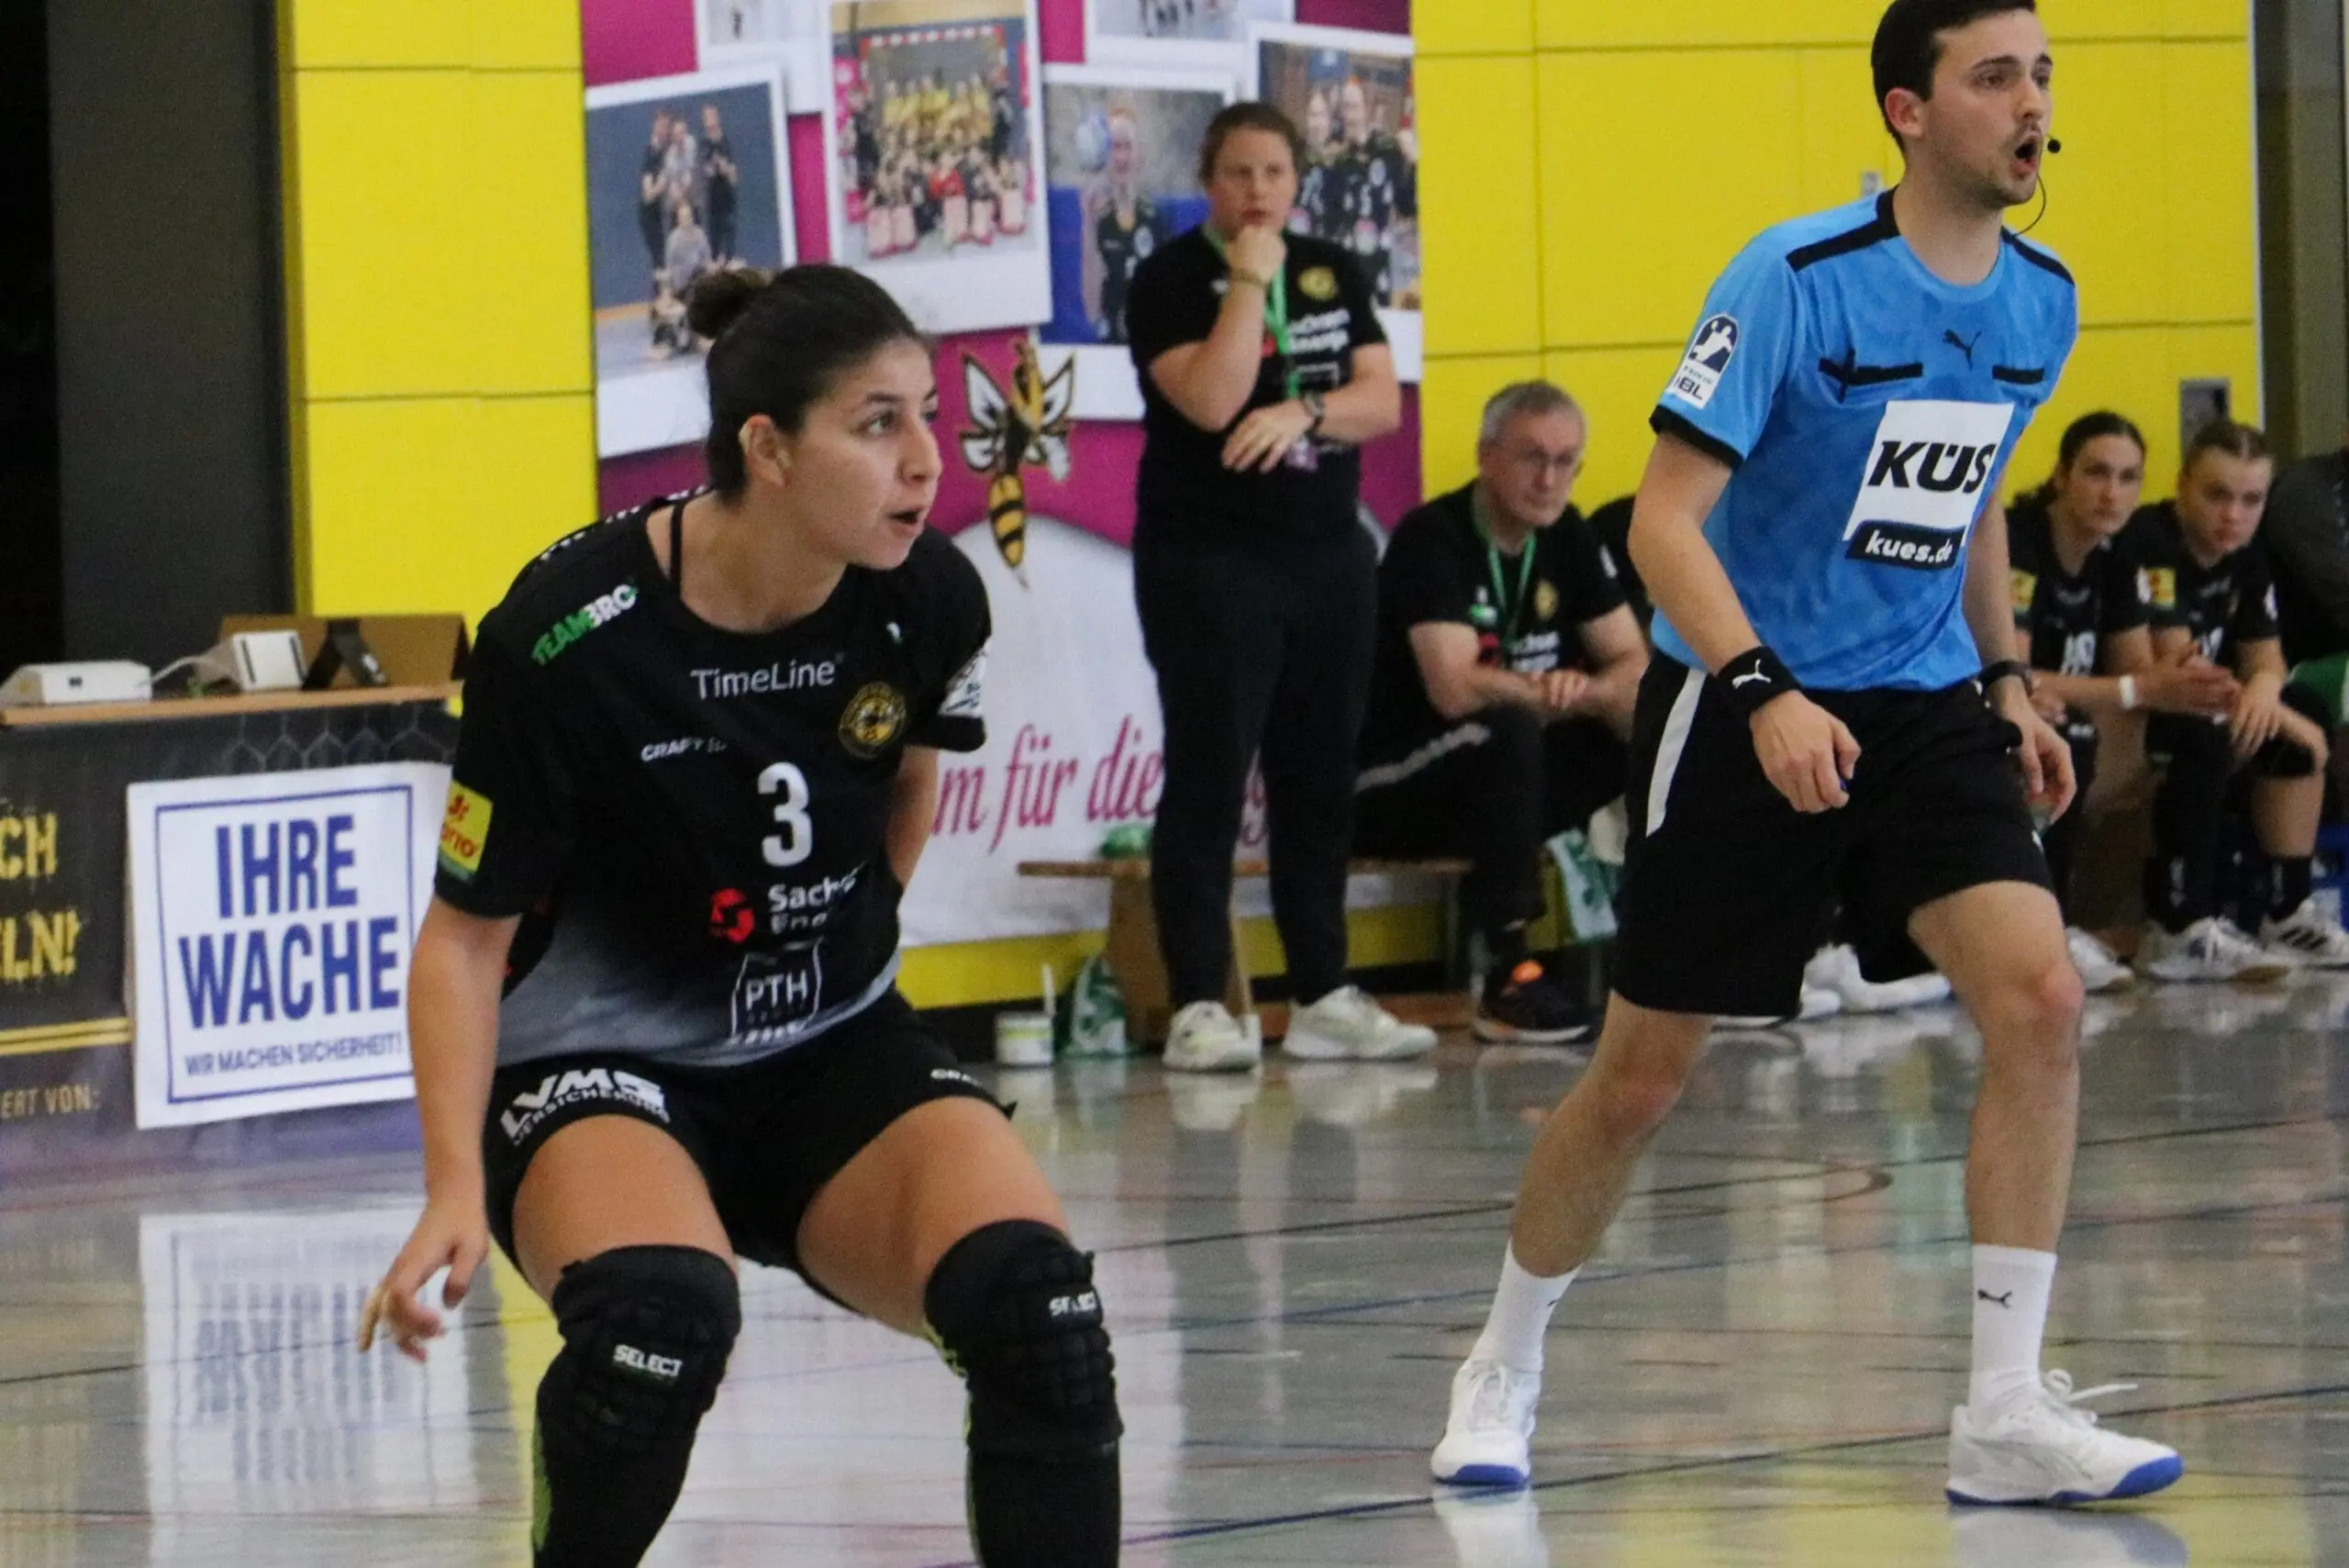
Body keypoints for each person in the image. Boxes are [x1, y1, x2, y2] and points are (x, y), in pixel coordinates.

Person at [1431, 0, 2185, 1507]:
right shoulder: (1792, 277)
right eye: (1994, 77)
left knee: (2041, 994)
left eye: (2042, 75)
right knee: (1642, 1077)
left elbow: (1972, 501)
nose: (2031, 104)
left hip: (1923, 700)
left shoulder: (2041, 299)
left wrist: (2009, 679)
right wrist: (1764, 688)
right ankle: (1502, 1361)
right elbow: (1662, 524)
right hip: (1744, 695)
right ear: (1909, 109)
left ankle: (2002, 1409)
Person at [358, 265, 1122, 1567]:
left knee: (1040, 1315)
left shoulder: (926, 595)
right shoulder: (568, 637)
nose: (926, 460)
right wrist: (450, 1187)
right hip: (599, 1063)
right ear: (767, 448)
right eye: (877, 423)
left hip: (826, 1045)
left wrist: (835, 963)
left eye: (928, 415)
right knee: (655, 1328)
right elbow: (462, 940)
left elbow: (905, 791)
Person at [1124, 101, 1427, 1073]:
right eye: (1238, 173)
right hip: (1209, 560)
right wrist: (1249, 282)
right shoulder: (1169, 278)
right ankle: (1198, 1004)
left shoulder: (1332, 266)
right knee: (1210, 776)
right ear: (1207, 183)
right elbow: (1213, 400)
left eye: (1274, 172)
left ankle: (1324, 991)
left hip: (1327, 554)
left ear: (1298, 181)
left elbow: (1380, 402)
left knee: (1318, 779)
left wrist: (1305, 411)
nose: (1257, 190)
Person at [1354, 382, 1645, 1043]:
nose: (1549, 479)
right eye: (1532, 458)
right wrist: (1554, 692)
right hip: (1392, 783)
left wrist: (1583, 693)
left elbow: (1634, 668)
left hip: (1502, 786)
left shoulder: (1566, 534)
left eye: (1566, 462)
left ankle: (1676, 943)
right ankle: (1509, 972)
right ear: (1487, 457)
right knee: (1505, 729)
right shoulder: (1433, 537)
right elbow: (1455, 691)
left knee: (1651, 727)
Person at [2006, 412, 2239, 991]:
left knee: (2201, 727)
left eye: (2129, 477)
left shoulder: (2114, 554)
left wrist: (2192, 685)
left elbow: (2138, 671)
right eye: (2097, 473)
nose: (2112, 493)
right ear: (2061, 476)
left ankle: (2181, 925)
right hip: (1998, 717)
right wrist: (2138, 689)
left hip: (2077, 723)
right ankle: (2047, 934)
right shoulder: (2020, 540)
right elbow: (2014, 674)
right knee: (2067, 735)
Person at [2128, 419, 2349, 976]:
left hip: (2206, 698)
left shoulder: (2246, 554)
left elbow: (2266, 658)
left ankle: (2287, 912)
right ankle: (2179, 924)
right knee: (2206, 730)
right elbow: (2179, 667)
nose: (2233, 515)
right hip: (2139, 707)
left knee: (2301, 711)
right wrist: (2270, 707)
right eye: (2217, 495)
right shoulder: (2152, 541)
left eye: (2251, 501)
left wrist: (2268, 694)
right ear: (2182, 485)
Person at [1085, 106, 1164, 346]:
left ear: (1139, 153)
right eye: (1114, 147)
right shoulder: (1097, 218)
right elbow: (1091, 310)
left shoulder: (1156, 216)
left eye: (1127, 146)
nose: (1120, 157)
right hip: (1109, 346)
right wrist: (1088, 222)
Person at [698, 104, 739, 266]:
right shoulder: (703, 145)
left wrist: (724, 167)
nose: (710, 121)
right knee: (713, 237)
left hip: (727, 196)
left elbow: (734, 177)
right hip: (711, 198)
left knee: (728, 231)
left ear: (718, 118)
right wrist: (709, 169)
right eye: (706, 118)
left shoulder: (726, 143)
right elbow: (702, 171)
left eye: (712, 117)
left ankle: (729, 260)